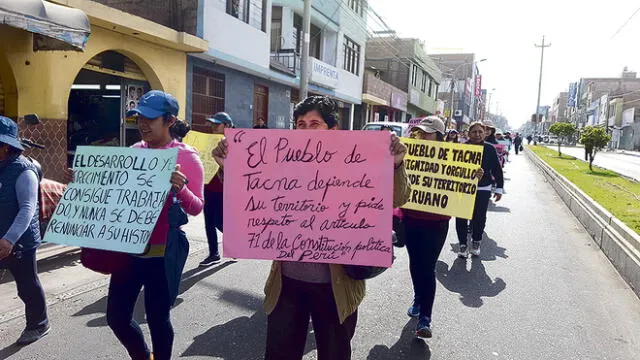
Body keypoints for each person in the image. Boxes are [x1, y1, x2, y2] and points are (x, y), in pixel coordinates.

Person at [211, 95, 411, 360]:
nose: (306, 129)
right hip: (287, 282)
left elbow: (398, 198)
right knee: (280, 352)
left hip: (336, 285)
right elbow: (249, 195)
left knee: (333, 353)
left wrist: (395, 164)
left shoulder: (357, 160)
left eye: (314, 123)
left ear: (332, 129)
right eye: (301, 124)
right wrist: (229, 167)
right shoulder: (280, 160)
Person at [82, 91, 204, 360]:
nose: (143, 124)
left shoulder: (187, 156)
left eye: (151, 118)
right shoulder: (135, 152)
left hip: (162, 254)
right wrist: (88, 185)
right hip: (129, 249)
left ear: (170, 120)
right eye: (140, 118)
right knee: (116, 316)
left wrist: (180, 188)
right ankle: (142, 355)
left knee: (158, 318)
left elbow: (196, 207)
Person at [401, 117, 483, 338]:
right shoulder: (408, 152)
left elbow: (461, 189)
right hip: (410, 218)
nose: (423, 135)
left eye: (428, 132)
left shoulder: (454, 157)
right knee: (415, 264)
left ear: (439, 135)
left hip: (436, 223)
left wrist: (472, 177)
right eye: (420, 132)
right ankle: (418, 299)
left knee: (427, 267)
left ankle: (425, 318)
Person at [0, 116, 50, 345]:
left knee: (27, 285)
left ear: (6, 146)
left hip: (19, 240)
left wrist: (9, 240)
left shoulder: (24, 170)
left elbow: (28, 208)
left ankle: (39, 324)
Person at [455, 121, 504, 258]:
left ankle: (476, 241)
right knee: (461, 216)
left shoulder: (489, 149)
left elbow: (497, 170)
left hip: (483, 188)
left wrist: (499, 188)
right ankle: (463, 245)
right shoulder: (461, 148)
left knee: (479, 217)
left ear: (485, 133)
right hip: (463, 188)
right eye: (474, 132)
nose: (477, 134)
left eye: (480, 132)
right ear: (469, 134)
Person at [200, 112, 234, 267]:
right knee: (208, 222)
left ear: (227, 126)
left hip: (224, 190)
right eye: (212, 124)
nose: (213, 127)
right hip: (208, 187)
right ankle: (213, 253)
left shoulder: (234, 143)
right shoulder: (208, 141)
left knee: (219, 221)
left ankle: (235, 243)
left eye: (217, 124)